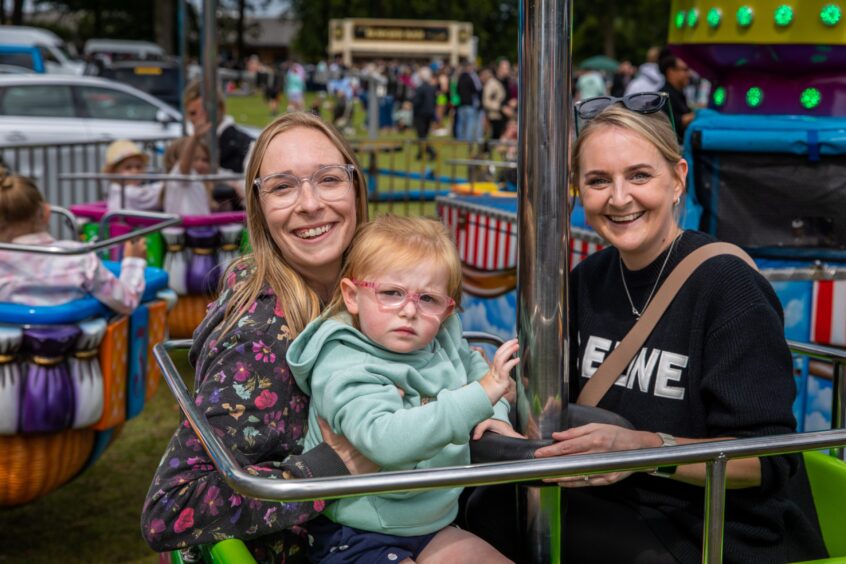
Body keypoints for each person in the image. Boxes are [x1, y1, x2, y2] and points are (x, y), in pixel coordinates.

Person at [472, 101, 826, 563]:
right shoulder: (585, 281)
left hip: (712, 531)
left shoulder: (727, 285)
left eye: (639, 176)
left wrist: (643, 448)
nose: (619, 198)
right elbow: (542, 400)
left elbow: (769, 459)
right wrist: (503, 415)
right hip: (609, 508)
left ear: (678, 179)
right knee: (482, 506)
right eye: (599, 181)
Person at [141, 112, 373, 563]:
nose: (309, 203)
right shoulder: (264, 338)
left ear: (355, 187)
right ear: (259, 207)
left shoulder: (379, 291)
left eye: (328, 179)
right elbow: (169, 509)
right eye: (283, 187)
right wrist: (328, 469)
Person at [287, 215, 520, 563]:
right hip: (359, 530)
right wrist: (483, 395)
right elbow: (385, 441)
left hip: (433, 522)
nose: (410, 310)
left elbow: (477, 371)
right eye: (391, 293)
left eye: (428, 299)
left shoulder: (440, 338)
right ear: (352, 296)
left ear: (446, 310)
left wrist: (496, 416)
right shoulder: (345, 361)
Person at [0, 168, 147, 315]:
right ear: (46, 213)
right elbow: (127, 301)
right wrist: (134, 262)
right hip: (78, 337)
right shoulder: (77, 256)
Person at [183, 79, 253, 173]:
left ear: (220, 108)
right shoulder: (189, 142)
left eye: (206, 112)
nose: (200, 119)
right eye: (193, 113)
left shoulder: (246, 146)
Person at [161, 125, 213, 215]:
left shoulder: (201, 183)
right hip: (184, 228)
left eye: (205, 160)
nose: (201, 164)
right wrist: (195, 137)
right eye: (194, 159)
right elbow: (184, 167)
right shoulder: (178, 177)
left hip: (200, 227)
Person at [103, 139, 164, 212]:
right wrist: (167, 185)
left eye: (139, 167)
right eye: (128, 167)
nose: (135, 171)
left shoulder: (116, 188)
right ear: (114, 172)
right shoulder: (125, 192)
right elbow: (146, 196)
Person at [659, 52, 696, 143]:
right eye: (685, 70)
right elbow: (672, 123)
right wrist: (701, 114)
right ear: (671, 72)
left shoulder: (678, 93)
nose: (689, 74)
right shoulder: (663, 96)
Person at [412, 66, 438, 161]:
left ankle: (431, 152)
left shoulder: (420, 88)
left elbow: (416, 102)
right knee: (424, 135)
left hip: (421, 114)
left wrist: (411, 104)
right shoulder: (432, 88)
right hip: (429, 114)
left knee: (421, 136)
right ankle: (420, 154)